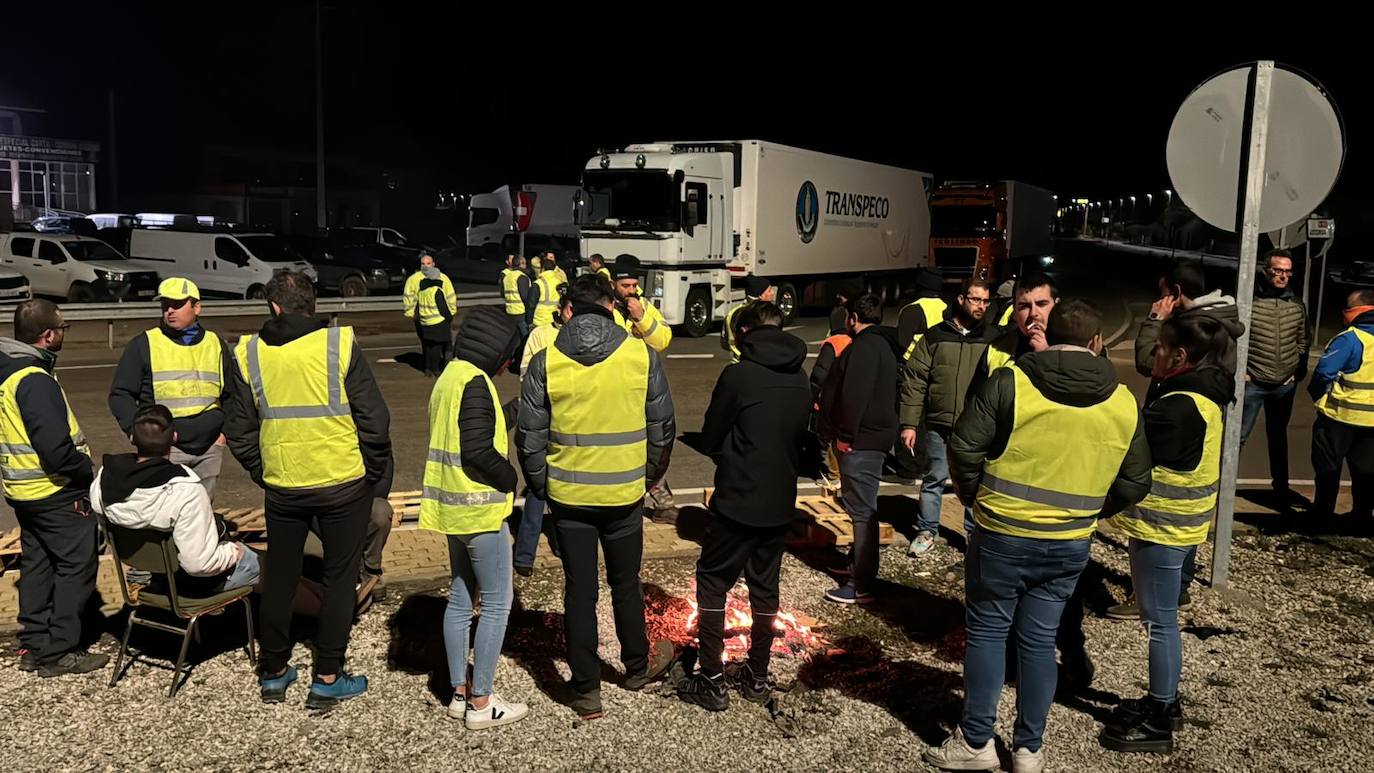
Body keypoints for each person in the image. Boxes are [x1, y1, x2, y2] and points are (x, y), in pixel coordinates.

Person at [925, 299, 1151, 773]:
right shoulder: (1123, 399)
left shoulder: (1012, 381)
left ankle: (976, 742)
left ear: (1048, 332)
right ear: (1096, 343)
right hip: (1069, 542)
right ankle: (1029, 750)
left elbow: (964, 445)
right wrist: (1090, 507)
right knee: (1039, 641)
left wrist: (973, 496)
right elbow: (1135, 482)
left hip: (1002, 533)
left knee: (988, 635)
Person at [224, 271, 391, 710]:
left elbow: (239, 430)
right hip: (342, 483)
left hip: (283, 486)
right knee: (339, 579)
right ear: (312, 305)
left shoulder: (247, 353)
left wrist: (264, 470)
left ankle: (275, 671)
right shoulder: (338, 345)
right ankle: (328, 676)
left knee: (280, 576)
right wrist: (372, 471)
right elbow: (375, 418)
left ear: (274, 307)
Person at [517, 274, 677, 719]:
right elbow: (663, 430)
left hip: (569, 499)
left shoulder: (546, 362)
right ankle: (637, 666)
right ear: (612, 306)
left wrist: (541, 487)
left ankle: (586, 690)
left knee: (579, 591)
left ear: (568, 310)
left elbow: (529, 437)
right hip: (625, 496)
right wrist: (645, 479)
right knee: (625, 584)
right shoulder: (640, 355)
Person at [1100, 316, 1233, 754]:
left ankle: (1159, 718)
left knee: (1160, 623)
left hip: (1163, 527)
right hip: (1179, 525)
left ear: (1179, 357)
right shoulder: (1203, 393)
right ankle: (1165, 701)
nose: (1151, 355)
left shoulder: (1179, 406)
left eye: (1158, 348)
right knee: (1162, 621)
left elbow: (1132, 454)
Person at [678, 302, 811, 711]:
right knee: (764, 588)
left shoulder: (739, 375)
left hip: (737, 497)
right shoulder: (800, 377)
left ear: (747, 331)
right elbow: (801, 438)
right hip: (779, 500)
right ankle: (756, 677)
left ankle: (712, 680)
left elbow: (712, 433)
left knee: (714, 581)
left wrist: (731, 455)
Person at [1111, 259, 1244, 619]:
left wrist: (1155, 321)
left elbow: (1146, 361)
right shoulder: (1221, 322)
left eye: (1163, 292)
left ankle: (1160, 597)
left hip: (1180, 424)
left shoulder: (1193, 330)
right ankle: (1175, 589)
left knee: (1169, 522)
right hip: (1199, 427)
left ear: (1176, 292)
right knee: (1186, 517)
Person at [420, 306, 529, 730]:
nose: (508, 362)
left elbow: (473, 424)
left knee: (461, 598)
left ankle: (459, 693)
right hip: (481, 511)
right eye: (508, 353)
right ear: (495, 348)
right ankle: (483, 703)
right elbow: (478, 449)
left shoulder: (451, 377)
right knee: (498, 603)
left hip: (452, 511)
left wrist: (513, 411)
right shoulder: (477, 383)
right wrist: (510, 477)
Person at [0, 299, 105, 677]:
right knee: (76, 567)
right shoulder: (34, 380)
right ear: (48, 335)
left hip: (22, 491)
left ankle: (34, 642)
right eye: (62, 328)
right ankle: (60, 651)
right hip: (54, 490)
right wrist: (84, 471)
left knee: (39, 565)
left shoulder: (7, 371)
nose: (63, 334)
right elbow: (55, 448)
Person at [91, 404, 260, 594]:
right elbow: (198, 565)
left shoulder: (103, 481)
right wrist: (233, 552)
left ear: (132, 438)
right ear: (174, 438)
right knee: (269, 568)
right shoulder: (185, 490)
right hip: (188, 583)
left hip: (155, 575)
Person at [108, 278, 235, 498]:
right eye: (165, 305)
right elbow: (121, 394)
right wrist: (137, 433)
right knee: (164, 513)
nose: (169, 311)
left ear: (197, 307)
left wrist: (224, 434)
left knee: (201, 513)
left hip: (209, 447)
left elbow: (232, 395)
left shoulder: (215, 344)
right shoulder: (144, 344)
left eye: (176, 304)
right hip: (165, 450)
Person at [898, 279, 999, 556]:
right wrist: (909, 423)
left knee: (975, 482)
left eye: (985, 301)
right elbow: (915, 380)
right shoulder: (935, 336)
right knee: (934, 479)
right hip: (939, 424)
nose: (981, 306)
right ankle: (927, 530)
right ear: (961, 299)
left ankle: (973, 534)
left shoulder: (994, 338)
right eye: (976, 299)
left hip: (977, 426)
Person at [817, 293, 900, 604]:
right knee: (863, 508)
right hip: (872, 436)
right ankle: (858, 567)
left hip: (862, 440)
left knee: (861, 512)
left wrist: (845, 436)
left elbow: (855, 395)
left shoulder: (865, 348)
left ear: (852, 318)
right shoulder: (882, 345)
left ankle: (861, 583)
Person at [1240, 250, 1310, 505]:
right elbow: (1236, 339)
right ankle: (1220, 487)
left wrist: (1297, 373)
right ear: (1266, 270)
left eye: (1287, 271)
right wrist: (1240, 371)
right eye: (1278, 270)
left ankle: (1280, 488)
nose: (1283, 276)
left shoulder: (1296, 304)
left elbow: (1303, 341)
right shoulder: (1249, 302)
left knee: (1278, 438)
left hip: (1284, 385)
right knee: (1237, 437)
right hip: (1253, 382)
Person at [512, 293, 572, 577]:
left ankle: (563, 544)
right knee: (539, 490)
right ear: (560, 309)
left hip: (568, 423)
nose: (573, 315)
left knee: (564, 490)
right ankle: (524, 555)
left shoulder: (579, 335)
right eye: (570, 309)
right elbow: (526, 377)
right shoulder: (540, 335)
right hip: (542, 422)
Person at [1308, 288, 1374, 522]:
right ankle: (1362, 518)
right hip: (1371, 426)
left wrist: (1319, 399)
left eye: (1348, 308)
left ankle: (1322, 516)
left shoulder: (1350, 339)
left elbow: (1323, 374)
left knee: (1328, 470)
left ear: (1358, 311)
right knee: (1366, 474)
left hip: (1338, 419)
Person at [609, 254, 672, 353]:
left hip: (639, 366)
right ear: (613, 285)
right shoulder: (604, 305)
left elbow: (662, 342)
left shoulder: (644, 304)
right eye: (625, 286)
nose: (631, 290)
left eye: (634, 285)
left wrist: (642, 318)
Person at [896, 267, 948, 363]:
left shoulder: (911, 310)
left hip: (912, 362)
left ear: (919, 286)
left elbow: (902, 343)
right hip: (940, 361)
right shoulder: (946, 307)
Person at [723, 276, 774, 363]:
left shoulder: (733, 312)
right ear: (760, 295)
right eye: (769, 290)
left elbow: (724, 342)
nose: (773, 292)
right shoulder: (759, 314)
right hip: (755, 363)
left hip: (737, 362)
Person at [416, 265, 455, 377]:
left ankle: (428, 369)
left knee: (428, 347)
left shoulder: (422, 291)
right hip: (437, 323)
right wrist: (449, 317)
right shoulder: (436, 291)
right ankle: (436, 369)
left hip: (425, 323)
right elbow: (443, 308)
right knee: (436, 348)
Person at [403, 252, 457, 326]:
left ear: (433, 264)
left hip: (440, 319)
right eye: (423, 264)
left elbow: (450, 296)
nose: (426, 266)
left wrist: (451, 313)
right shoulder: (413, 279)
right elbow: (408, 297)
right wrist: (411, 314)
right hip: (421, 319)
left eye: (428, 263)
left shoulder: (443, 278)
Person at [501, 254, 532, 370]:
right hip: (521, 312)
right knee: (525, 340)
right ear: (520, 264)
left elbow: (503, 293)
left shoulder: (507, 277)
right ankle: (523, 363)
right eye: (524, 263)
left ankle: (511, 361)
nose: (526, 265)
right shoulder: (522, 277)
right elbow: (525, 296)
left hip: (510, 311)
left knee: (513, 340)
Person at [527, 255, 563, 329]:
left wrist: (529, 322)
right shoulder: (560, 282)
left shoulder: (538, 283)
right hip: (554, 320)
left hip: (539, 321)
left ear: (542, 269)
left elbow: (531, 305)